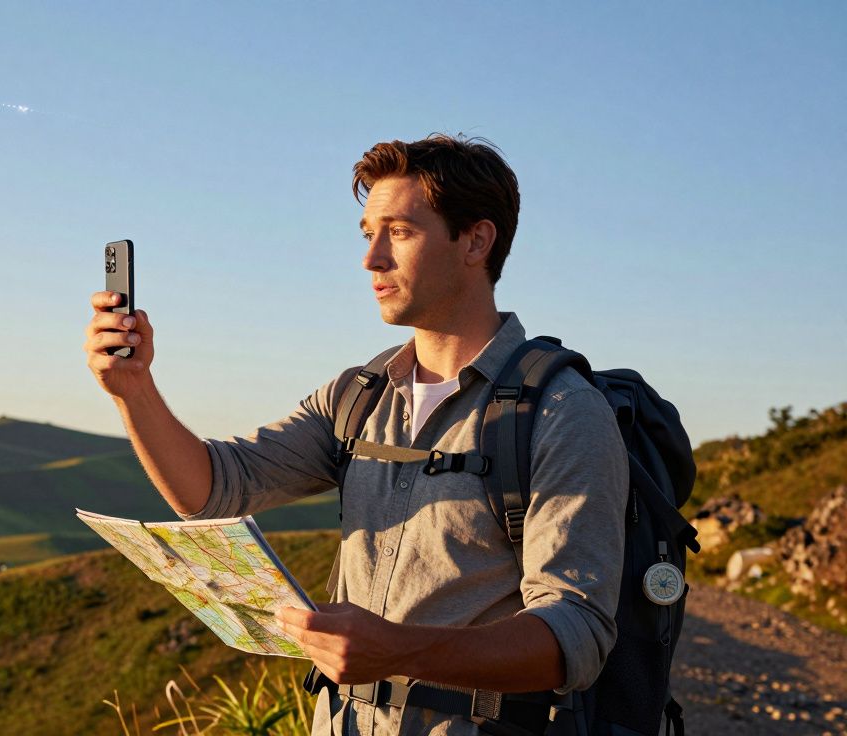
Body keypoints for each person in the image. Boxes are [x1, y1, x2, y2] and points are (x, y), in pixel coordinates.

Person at [83, 134, 629, 736]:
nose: (371, 259)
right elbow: (213, 488)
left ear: (476, 240)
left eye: (398, 232)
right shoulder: (358, 396)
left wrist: (402, 651)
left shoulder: (561, 411)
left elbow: (575, 635)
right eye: (367, 233)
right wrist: (132, 390)